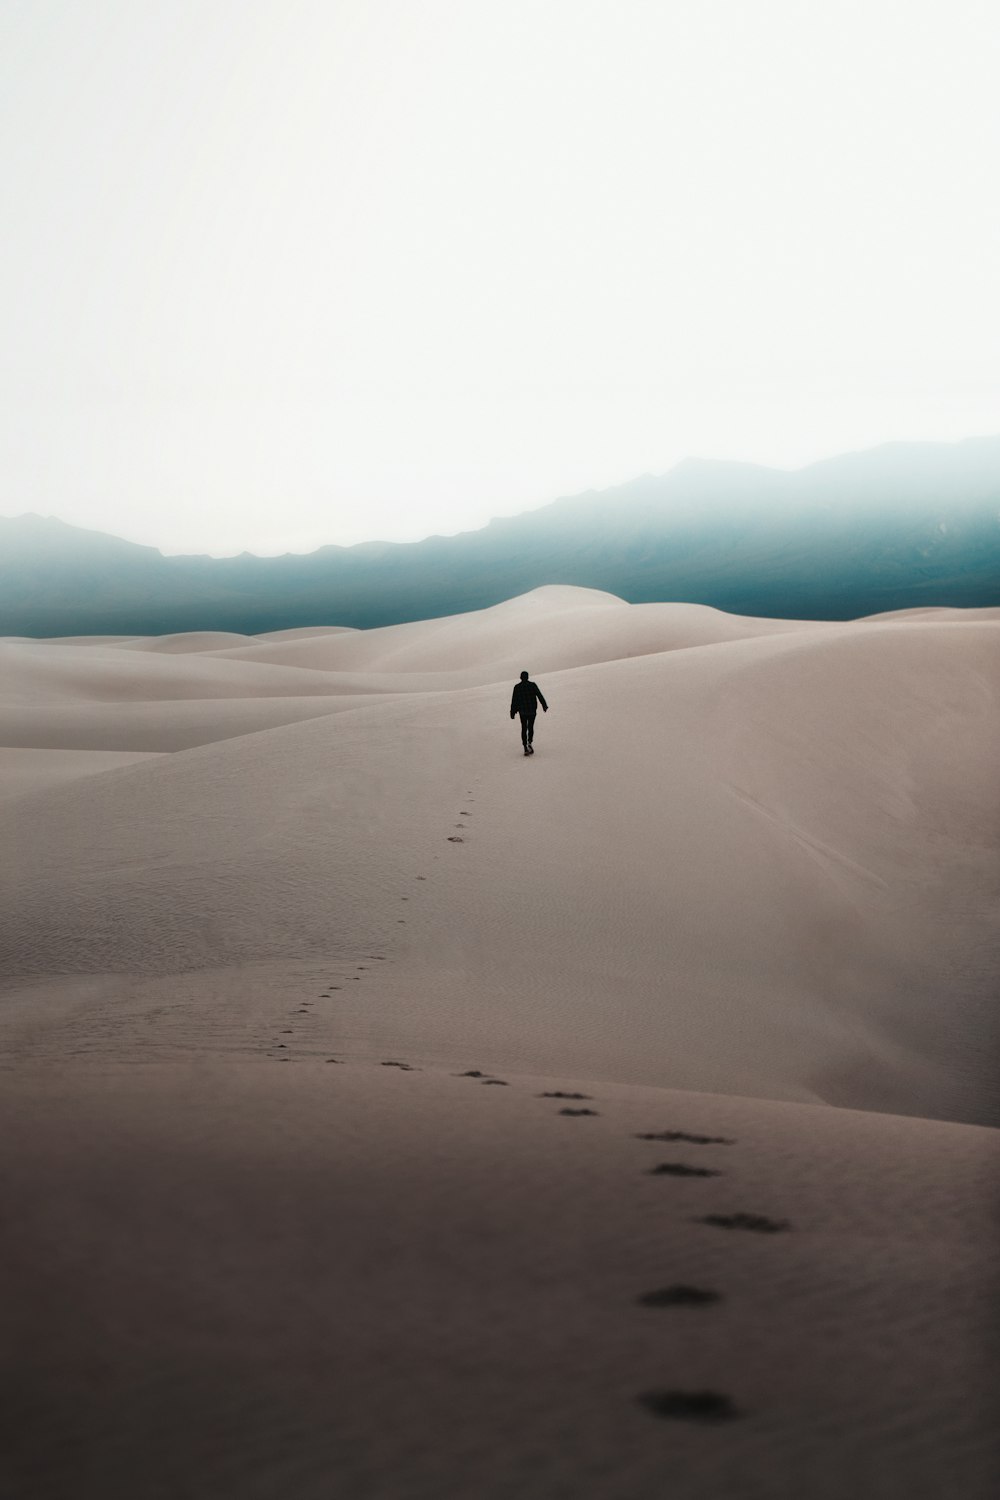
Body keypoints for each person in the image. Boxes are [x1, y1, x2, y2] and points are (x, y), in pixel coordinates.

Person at [510, 670, 548, 755]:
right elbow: (539, 695)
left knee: (524, 728)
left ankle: (525, 746)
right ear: (527, 677)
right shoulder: (532, 685)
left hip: (522, 711)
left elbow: (514, 700)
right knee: (530, 727)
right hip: (532, 710)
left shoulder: (517, 687)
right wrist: (544, 705)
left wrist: (512, 712)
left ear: (520, 677)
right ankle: (529, 742)